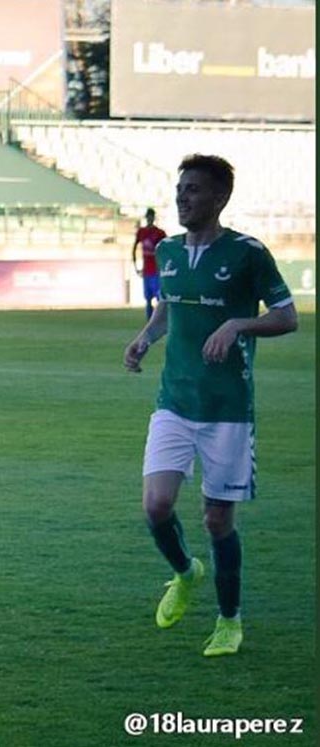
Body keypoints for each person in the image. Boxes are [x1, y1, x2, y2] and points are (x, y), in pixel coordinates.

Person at [123, 154, 297, 657]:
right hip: (174, 400)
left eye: (194, 190)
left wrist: (239, 324)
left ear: (220, 198)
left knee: (217, 521)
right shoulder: (171, 251)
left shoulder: (247, 252)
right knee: (156, 507)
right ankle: (184, 572)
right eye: (180, 189)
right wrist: (144, 338)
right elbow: (168, 307)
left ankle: (229, 620)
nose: (183, 197)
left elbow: (287, 317)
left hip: (226, 409)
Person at [132, 207, 168, 320]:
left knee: (159, 298)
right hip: (147, 270)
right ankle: (150, 321)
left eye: (151, 216)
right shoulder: (142, 232)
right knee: (148, 299)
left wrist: (163, 266)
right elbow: (134, 248)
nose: (149, 219)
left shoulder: (159, 233)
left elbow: (166, 248)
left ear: (153, 218)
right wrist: (136, 266)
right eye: (148, 217)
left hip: (157, 270)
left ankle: (159, 319)